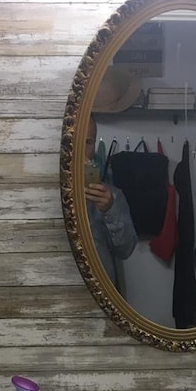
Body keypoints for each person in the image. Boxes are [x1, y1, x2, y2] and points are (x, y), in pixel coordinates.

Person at [84, 116, 137, 291]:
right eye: (74, 141)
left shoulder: (111, 195)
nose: (80, 150)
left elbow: (126, 250)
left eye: (88, 142)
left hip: (101, 295)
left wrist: (110, 210)